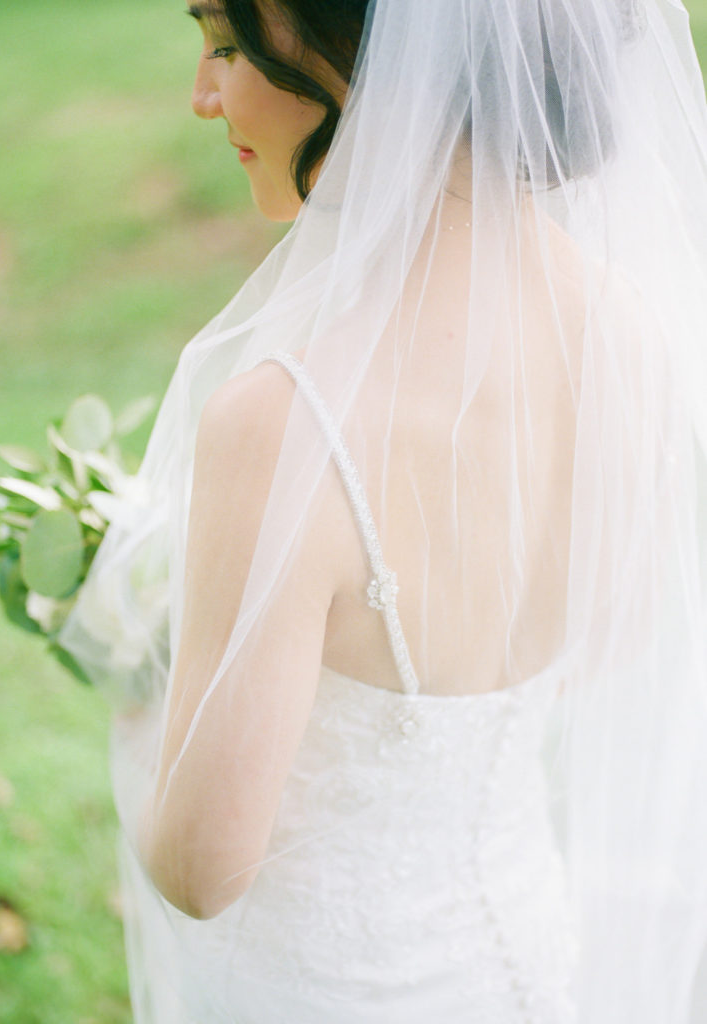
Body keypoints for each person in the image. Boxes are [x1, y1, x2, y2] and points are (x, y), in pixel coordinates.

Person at [61, 0, 707, 1020]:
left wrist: (141, 684)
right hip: (526, 964)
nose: (200, 96)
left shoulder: (279, 427)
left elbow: (201, 866)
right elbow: (608, 638)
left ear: (365, 56)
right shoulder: (632, 333)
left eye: (227, 46)